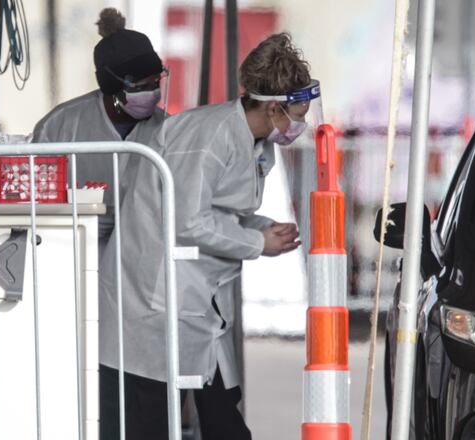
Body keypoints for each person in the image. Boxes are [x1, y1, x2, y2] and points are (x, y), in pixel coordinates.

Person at [99, 33, 318, 439]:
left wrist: (261, 227)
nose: (300, 124)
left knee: (223, 420)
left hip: (197, 301)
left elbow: (221, 211)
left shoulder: (256, 143)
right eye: (298, 113)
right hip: (154, 299)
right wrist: (259, 243)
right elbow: (190, 222)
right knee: (151, 425)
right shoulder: (208, 137)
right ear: (274, 107)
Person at [32, 8, 167, 252]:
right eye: (139, 86)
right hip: (69, 246)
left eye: (156, 83)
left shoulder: (168, 129)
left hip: (142, 247)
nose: (152, 93)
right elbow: (36, 198)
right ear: (112, 86)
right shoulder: (61, 125)